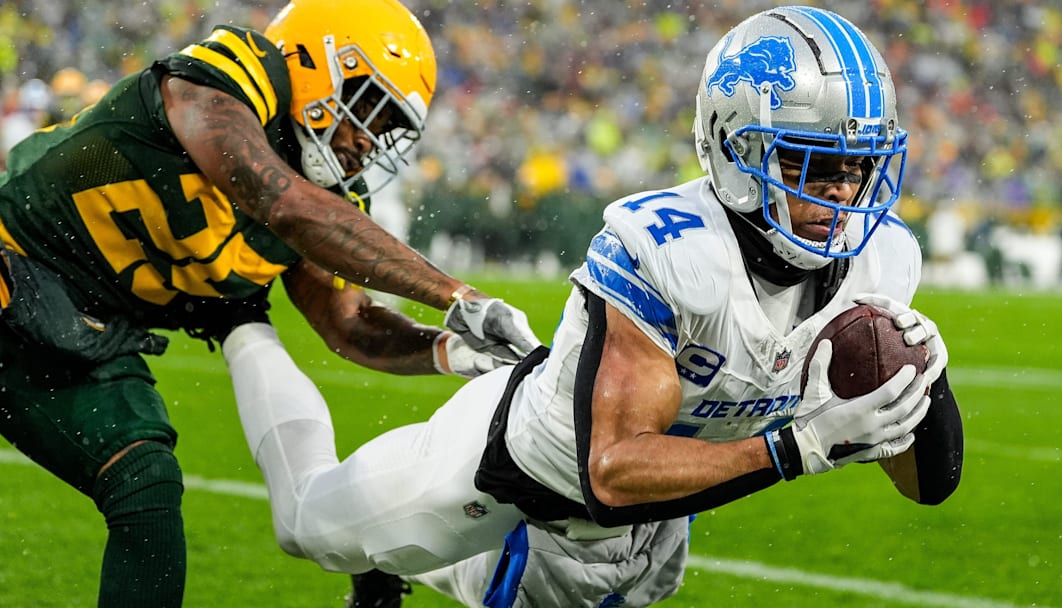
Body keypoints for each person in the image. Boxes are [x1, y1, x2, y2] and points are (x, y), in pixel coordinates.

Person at [221, 6, 964, 607]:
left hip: (646, 513)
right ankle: (240, 325)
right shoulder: (670, 247)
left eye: (858, 165)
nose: (839, 190)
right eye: (812, 162)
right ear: (736, 150)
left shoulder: (883, 259)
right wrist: (798, 448)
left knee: (594, 580)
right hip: (517, 464)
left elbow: (930, 487)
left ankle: (418, 566)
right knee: (307, 525)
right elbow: (608, 469)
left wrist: (926, 387)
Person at [0, 0, 541, 606]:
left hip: (89, 334)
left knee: (146, 485)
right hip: (10, 263)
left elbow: (352, 323)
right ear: (320, 61)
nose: (368, 140)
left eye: (386, 127)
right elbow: (272, 194)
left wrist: (451, 348)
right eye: (368, 107)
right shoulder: (241, 70)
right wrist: (457, 295)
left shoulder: (325, 195)